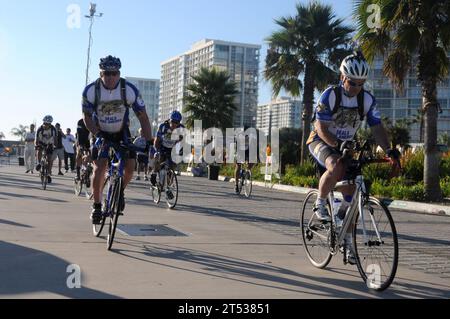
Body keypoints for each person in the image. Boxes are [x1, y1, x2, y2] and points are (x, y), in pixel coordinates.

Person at [306, 51, 401, 264]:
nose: (356, 88)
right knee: (336, 165)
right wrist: (336, 144)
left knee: (351, 194)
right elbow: (320, 127)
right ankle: (320, 203)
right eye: (352, 82)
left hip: (347, 146)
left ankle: (347, 238)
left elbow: (376, 127)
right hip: (321, 141)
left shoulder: (366, 100)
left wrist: (389, 151)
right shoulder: (330, 95)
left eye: (361, 84)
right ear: (342, 78)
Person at [82, 55, 152, 224]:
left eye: (115, 73)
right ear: (101, 74)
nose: (111, 77)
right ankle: (97, 206)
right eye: (107, 73)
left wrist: (149, 142)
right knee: (99, 167)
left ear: (119, 74)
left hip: (122, 132)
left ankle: (119, 191)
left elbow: (143, 117)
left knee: (130, 167)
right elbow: (87, 118)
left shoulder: (129, 90)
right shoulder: (91, 91)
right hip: (101, 132)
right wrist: (97, 134)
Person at [150, 110, 184, 192]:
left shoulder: (181, 129)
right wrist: (157, 150)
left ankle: (168, 188)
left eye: (177, 122)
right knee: (158, 157)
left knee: (171, 168)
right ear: (169, 120)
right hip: (162, 146)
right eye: (173, 122)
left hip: (172, 148)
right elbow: (157, 140)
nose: (174, 125)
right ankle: (154, 173)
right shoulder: (163, 126)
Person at [234, 127, 256, 194]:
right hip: (239, 151)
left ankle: (247, 172)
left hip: (247, 151)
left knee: (253, 161)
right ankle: (236, 184)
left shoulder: (252, 138)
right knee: (238, 166)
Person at [35, 116, 57, 183]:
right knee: (39, 150)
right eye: (45, 123)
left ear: (50, 124)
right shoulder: (40, 129)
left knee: (49, 159)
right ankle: (39, 163)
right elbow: (36, 139)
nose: (46, 125)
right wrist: (36, 145)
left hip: (49, 143)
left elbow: (55, 138)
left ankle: (48, 174)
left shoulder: (53, 129)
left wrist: (55, 145)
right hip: (41, 142)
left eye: (48, 124)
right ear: (43, 122)